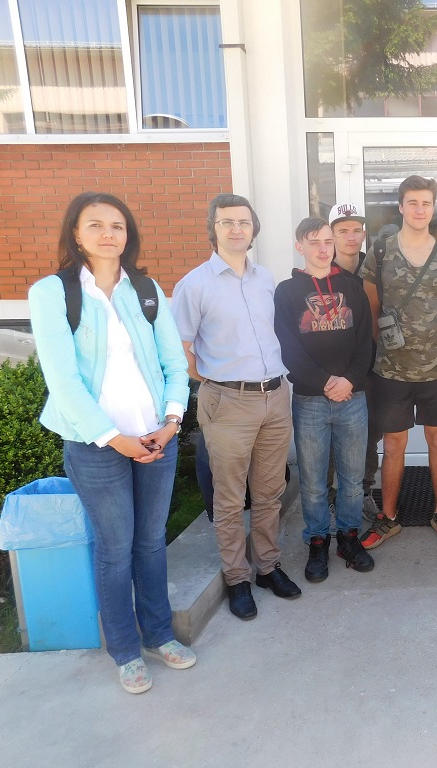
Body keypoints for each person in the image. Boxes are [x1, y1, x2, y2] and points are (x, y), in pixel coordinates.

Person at [29, 192, 195, 693]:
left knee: (151, 542)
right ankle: (125, 650)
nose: (108, 234)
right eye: (95, 224)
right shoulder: (53, 293)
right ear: (76, 234)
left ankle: (159, 634)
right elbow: (62, 381)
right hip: (96, 446)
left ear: (128, 234)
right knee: (116, 548)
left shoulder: (145, 289)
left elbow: (174, 364)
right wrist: (113, 438)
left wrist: (172, 420)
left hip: (156, 438)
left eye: (117, 225)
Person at [172, 194, 301, 621]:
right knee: (229, 498)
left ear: (253, 229)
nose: (236, 229)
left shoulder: (266, 279)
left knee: (269, 491)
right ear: (213, 229)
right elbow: (180, 349)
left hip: (275, 396)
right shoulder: (194, 285)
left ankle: (267, 566)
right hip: (228, 401)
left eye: (243, 222)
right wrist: (215, 382)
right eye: (226, 222)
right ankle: (237, 577)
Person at [359, 175, 437, 548]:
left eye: (426, 203)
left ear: (433, 208)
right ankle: (388, 518)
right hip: (391, 372)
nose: (420, 210)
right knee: (394, 444)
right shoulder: (381, 252)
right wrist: (390, 349)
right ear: (401, 206)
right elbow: (371, 309)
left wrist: (435, 349)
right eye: (413, 203)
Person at [274, 217, 374, 584]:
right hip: (310, 401)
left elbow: (366, 341)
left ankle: (348, 536)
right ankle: (317, 540)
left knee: (352, 477)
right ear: (299, 246)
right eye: (314, 241)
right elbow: (288, 347)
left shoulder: (351, 286)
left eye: (328, 241)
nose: (322, 248)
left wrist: (349, 380)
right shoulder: (286, 291)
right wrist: (325, 381)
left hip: (353, 398)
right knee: (314, 481)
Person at [329, 201, 381, 520]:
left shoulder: (375, 269)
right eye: (342, 230)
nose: (350, 236)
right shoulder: (321, 270)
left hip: (371, 367)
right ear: (331, 234)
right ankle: (330, 494)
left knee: (369, 435)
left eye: (356, 230)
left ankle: (364, 491)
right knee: (329, 438)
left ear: (364, 234)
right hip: (332, 373)